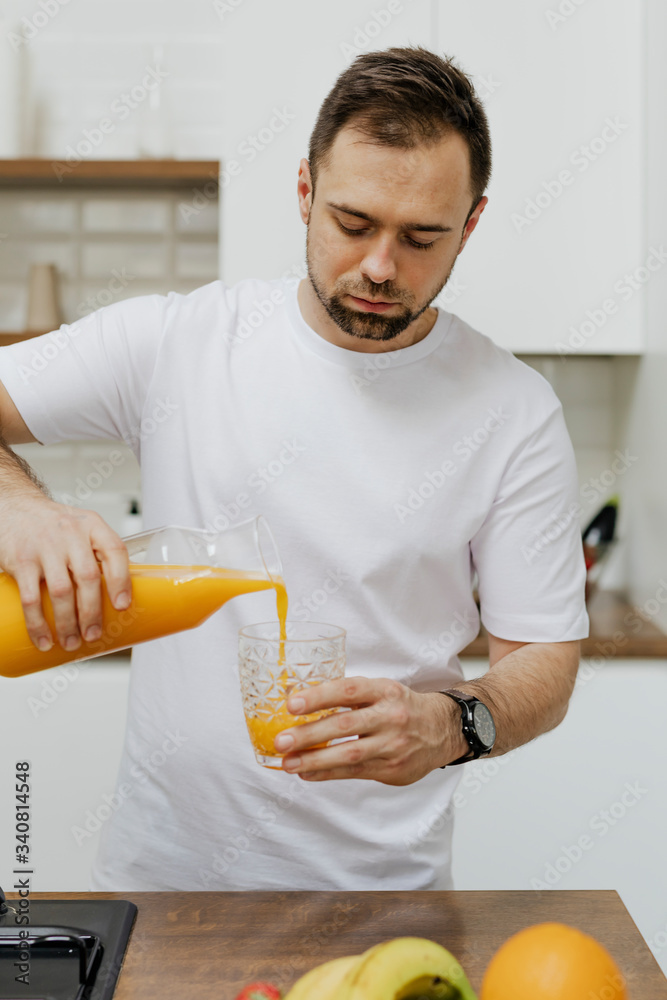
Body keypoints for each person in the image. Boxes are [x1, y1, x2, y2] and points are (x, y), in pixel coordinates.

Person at [0, 46, 587, 891]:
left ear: (472, 224)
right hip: (165, 894)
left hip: (382, 902)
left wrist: (455, 723)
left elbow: (544, 661)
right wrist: (19, 511)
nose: (382, 267)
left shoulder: (513, 411)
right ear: (305, 192)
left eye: (421, 237)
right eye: (353, 225)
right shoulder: (179, 344)